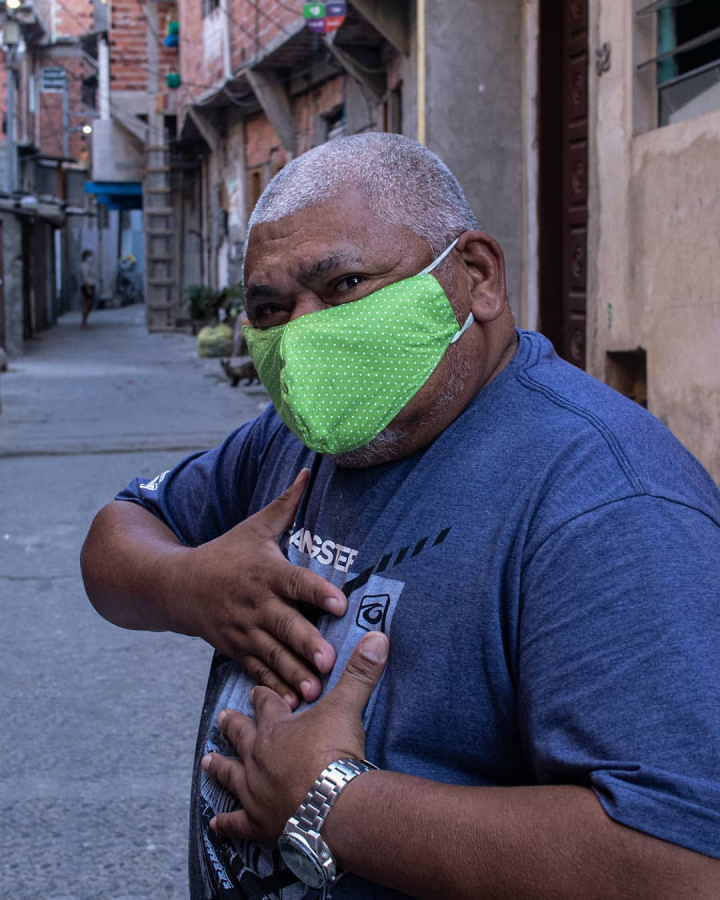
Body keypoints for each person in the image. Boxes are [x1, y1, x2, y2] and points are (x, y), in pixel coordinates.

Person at [81, 134, 720, 899]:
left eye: (345, 283)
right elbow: (117, 534)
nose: (304, 333)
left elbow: (680, 865)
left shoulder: (605, 502)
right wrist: (188, 585)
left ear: (475, 277)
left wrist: (334, 803)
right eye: (269, 309)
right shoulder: (294, 444)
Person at [80, 249, 96, 329]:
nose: (92, 257)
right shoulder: (84, 265)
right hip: (87, 286)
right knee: (87, 303)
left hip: (92, 285)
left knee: (90, 304)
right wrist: (88, 288)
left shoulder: (90, 265)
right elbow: (85, 277)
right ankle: (84, 322)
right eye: (90, 256)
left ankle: (85, 321)